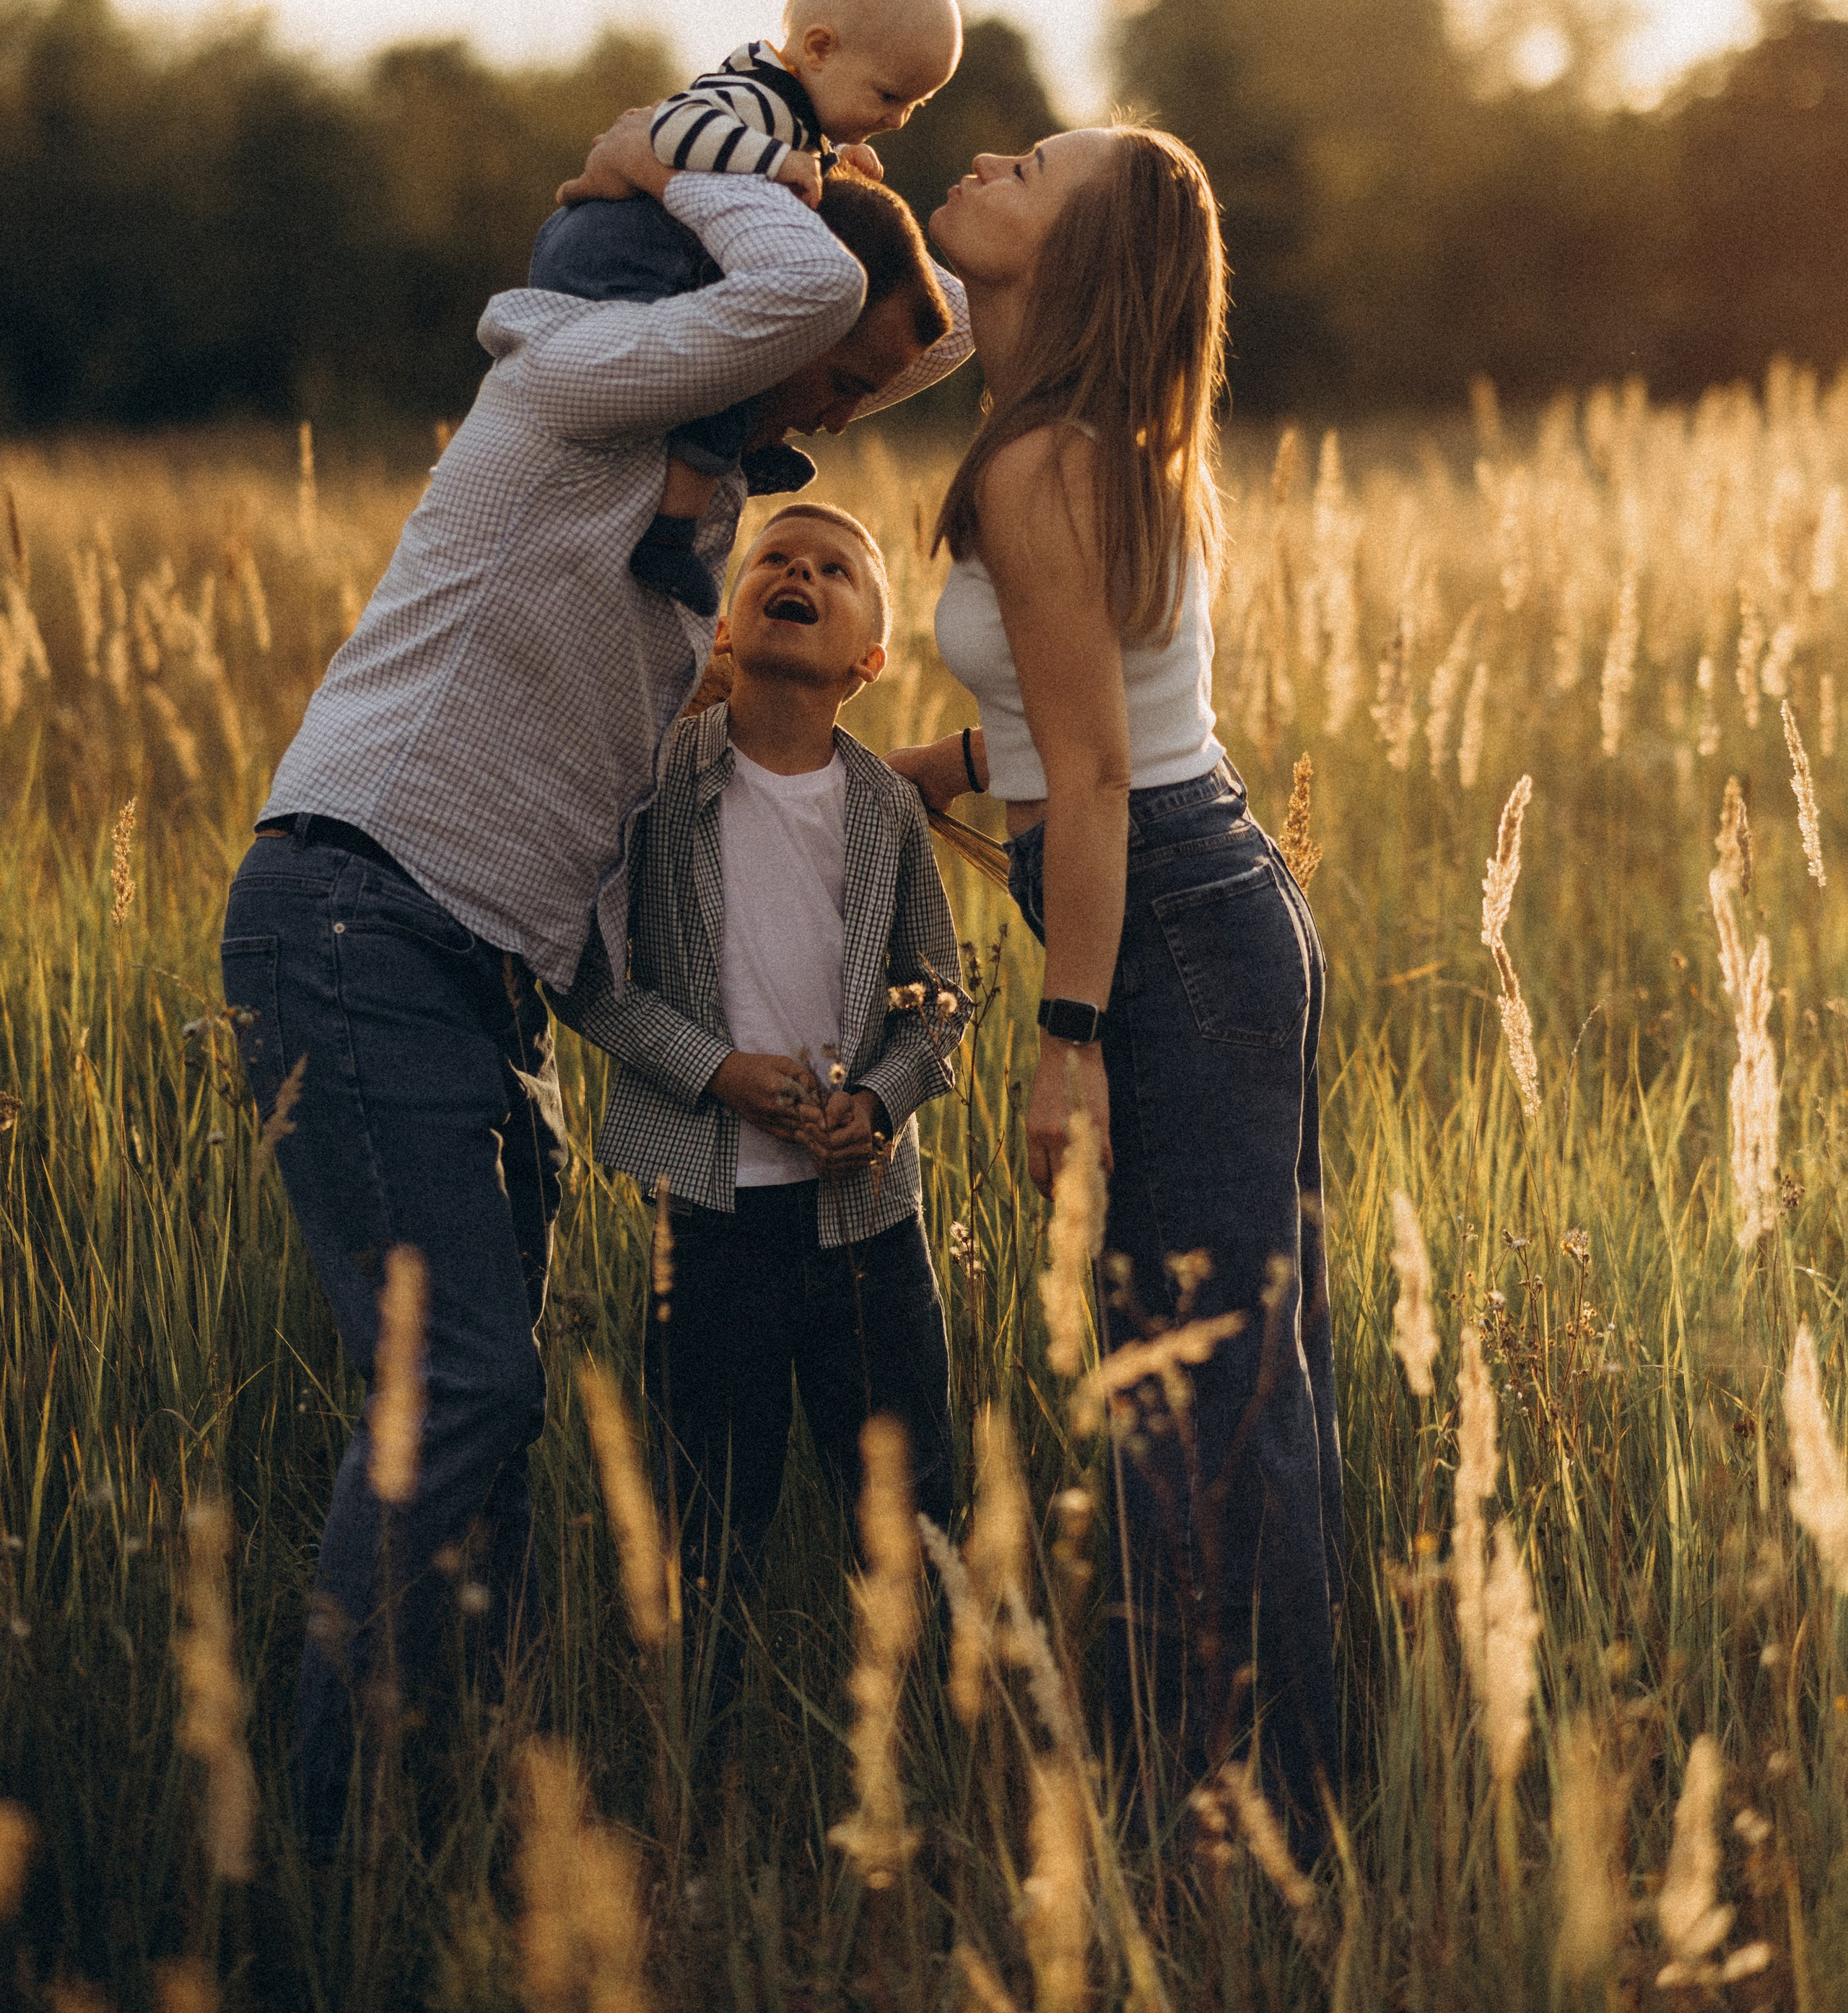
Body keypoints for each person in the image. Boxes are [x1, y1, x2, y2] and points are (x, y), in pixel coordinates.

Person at [220, 138, 969, 1853]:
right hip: (363, 908)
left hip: (474, 967)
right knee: (463, 1384)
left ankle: (464, 1820)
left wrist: (860, 208)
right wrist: (709, 142)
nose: (848, 410)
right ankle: (325, 1849)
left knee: (494, 1396)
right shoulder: (588, 384)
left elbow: (895, 333)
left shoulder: (696, 493)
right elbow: (804, 293)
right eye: (836, 373)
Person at [888, 128, 1342, 1838]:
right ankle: (1252, 1787)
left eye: (1034, 166)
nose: (991, 152)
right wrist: (921, 771)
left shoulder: (1042, 465)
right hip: (1203, 894)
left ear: (1074, 258)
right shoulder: (1069, 445)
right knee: (1229, 1366)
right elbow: (1068, 729)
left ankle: (1239, 1818)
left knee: (1201, 1376)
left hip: (1160, 924)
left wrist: (1063, 1033)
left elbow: (1087, 777)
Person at [560, 503, 964, 1706]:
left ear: (867, 663)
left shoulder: (885, 810)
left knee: (908, 1499)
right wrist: (718, 1072)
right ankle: (704, 1750)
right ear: (727, 626)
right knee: (706, 1504)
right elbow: (589, 976)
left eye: (835, 570)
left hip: (868, 1231)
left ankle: (928, 1728)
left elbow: (938, 1000)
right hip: (714, 1220)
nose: (801, 572)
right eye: (776, 561)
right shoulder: (664, 783)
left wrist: (884, 1103)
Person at [528, 0, 962, 615]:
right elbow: (670, 133)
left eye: (914, 104)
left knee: (740, 355)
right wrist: (784, 165)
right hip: (612, 264)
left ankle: (727, 456)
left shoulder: (795, 113)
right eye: (888, 96)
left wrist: (829, 163)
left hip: (643, 265)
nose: (899, 120)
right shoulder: (755, 97)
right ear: (818, 48)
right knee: (733, 364)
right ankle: (673, 531)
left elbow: (946, 322)